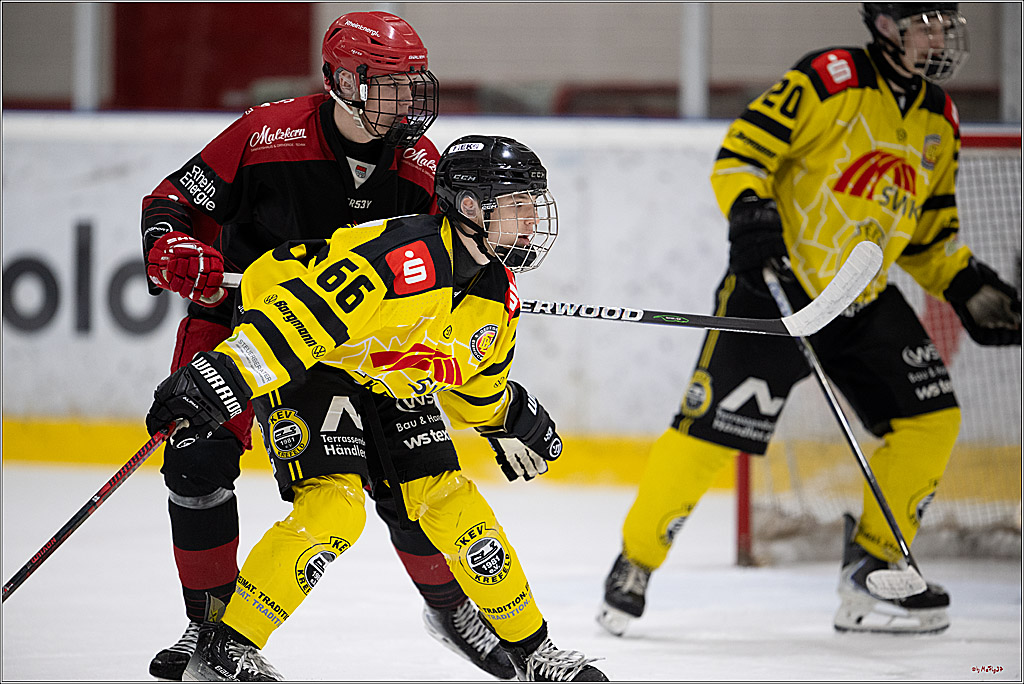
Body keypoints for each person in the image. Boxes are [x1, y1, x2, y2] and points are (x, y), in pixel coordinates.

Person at [597, 2, 1021, 637]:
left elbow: (930, 235)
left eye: (944, 22)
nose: (940, 36)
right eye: (925, 21)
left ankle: (873, 570)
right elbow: (741, 154)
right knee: (709, 432)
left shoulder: (940, 117)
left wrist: (963, 283)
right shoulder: (830, 79)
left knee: (931, 419)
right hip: (775, 291)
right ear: (885, 25)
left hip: (862, 298)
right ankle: (635, 563)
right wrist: (750, 213)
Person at [144, 135, 608, 682]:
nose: (532, 220)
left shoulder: (494, 293)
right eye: (518, 205)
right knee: (335, 507)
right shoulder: (402, 259)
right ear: (470, 208)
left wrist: (508, 413)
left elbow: (467, 378)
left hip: (384, 373)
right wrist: (221, 375)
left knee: (451, 500)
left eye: (534, 203)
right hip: (313, 360)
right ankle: (225, 648)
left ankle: (535, 653)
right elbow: (300, 323)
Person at [142, 11, 514, 680]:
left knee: (408, 471)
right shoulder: (265, 132)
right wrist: (172, 246)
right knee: (197, 459)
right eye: (387, 84)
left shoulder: (422, 165)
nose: (405, 101)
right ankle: (209, 633)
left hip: (364, 343)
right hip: (244, 320)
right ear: (341, 81)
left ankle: (452, 608)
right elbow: (173, 202)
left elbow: (465, 259)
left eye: (411, 84)